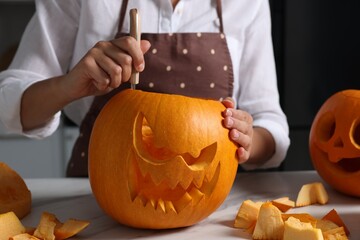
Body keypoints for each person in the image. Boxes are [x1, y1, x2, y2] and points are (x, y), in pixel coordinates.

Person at [0, 0, 290, 177]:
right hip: (94, 197)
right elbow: (11, 102)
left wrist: (249, 141)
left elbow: (270, 123)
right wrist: (68, 86)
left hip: (206, 206)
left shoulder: (247, 2)